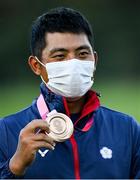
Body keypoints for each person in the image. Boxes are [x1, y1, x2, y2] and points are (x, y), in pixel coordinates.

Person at [0, 7, 140, 179]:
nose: (73, 63)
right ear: (36, 66)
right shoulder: (6, 131)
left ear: (94, 60)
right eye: (59, 56)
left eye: (82, 54)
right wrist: (13, 168)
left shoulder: (127, 129)